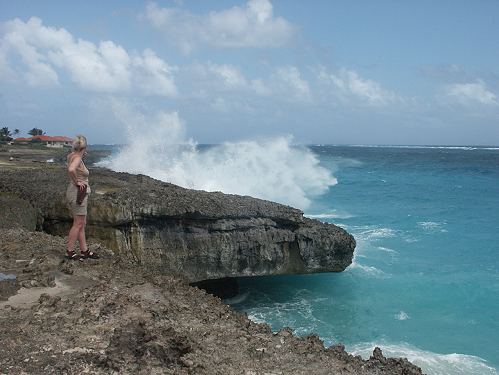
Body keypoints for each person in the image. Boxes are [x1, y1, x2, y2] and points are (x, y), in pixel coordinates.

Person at [66, 135, 98, 260]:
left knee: (81, 223)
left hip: (73, 191)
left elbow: (73, 168)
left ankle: (84, 250)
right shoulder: (78, 158)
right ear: (85, 147)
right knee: (78, 224)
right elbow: (71, 169)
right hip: (78, 193)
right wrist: (77, 182)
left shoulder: (71, 155)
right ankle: (70, 251)